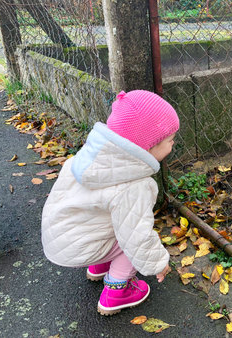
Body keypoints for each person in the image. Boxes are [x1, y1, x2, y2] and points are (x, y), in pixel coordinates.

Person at [41, 90, 179, 315]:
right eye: (170, 140)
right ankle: (117, 292)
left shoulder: (90, 159)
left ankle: (100, 265)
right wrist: (158, 263)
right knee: (131, 239)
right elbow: (137, 237)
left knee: (111, 218)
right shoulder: (134, 185)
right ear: (148, 146)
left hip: (59, 237)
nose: (173, 145)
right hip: (79, 248)